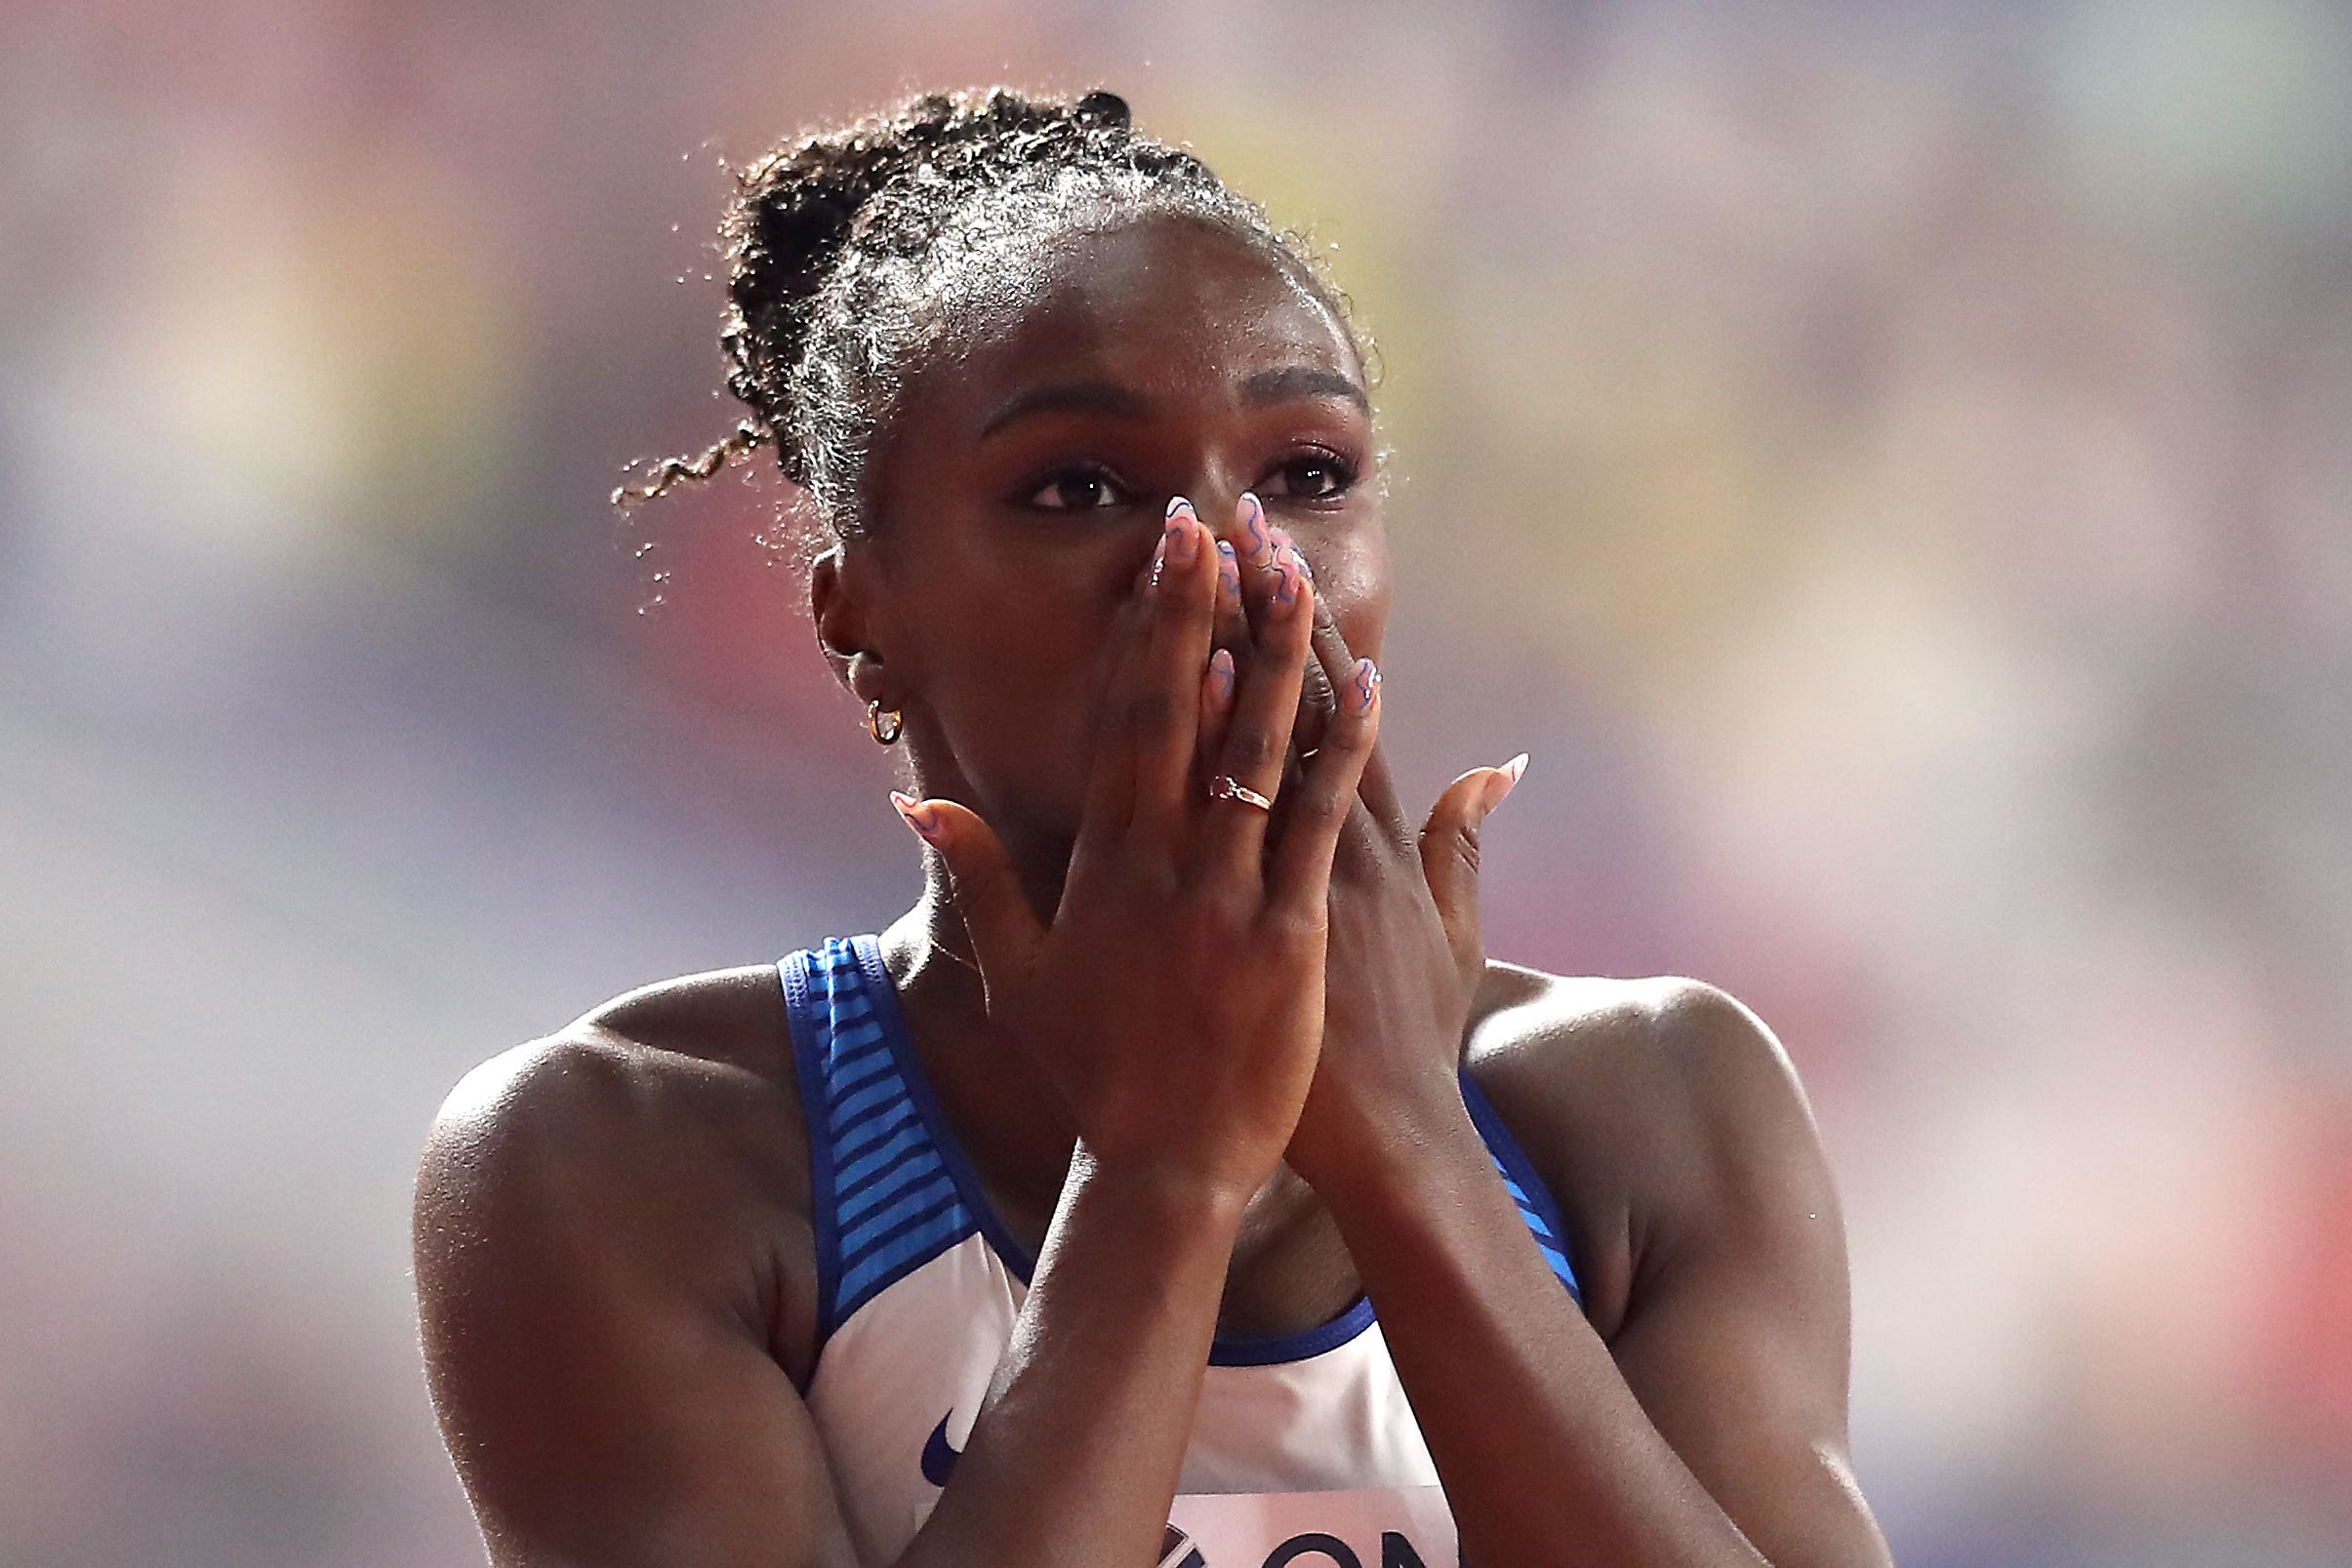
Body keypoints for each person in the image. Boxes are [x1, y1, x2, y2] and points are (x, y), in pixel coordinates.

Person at [412, 85, 1894, 1568]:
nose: (1230, 570)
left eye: (1305, 476)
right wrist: (1159, 1175)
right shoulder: (625, 1152)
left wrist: (1404, 1144)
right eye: (1078, 488)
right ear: (859, 610)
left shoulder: (1649, 1105)